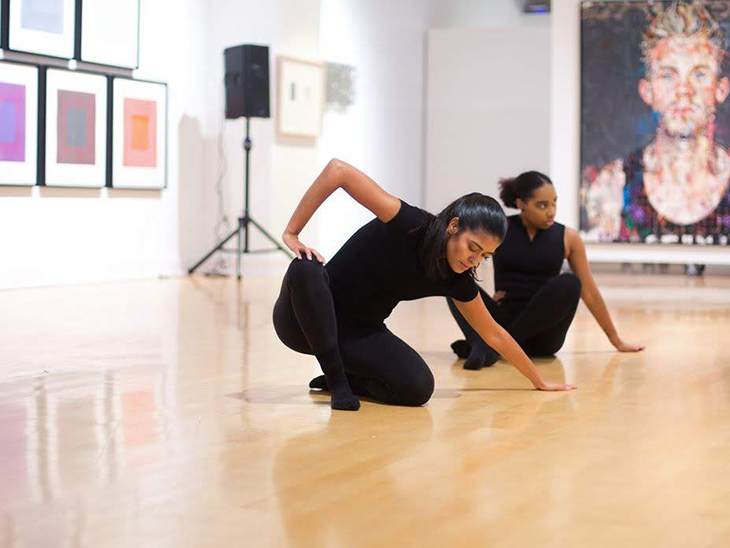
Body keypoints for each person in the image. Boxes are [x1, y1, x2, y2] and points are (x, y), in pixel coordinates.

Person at [273, 159, 576, 411]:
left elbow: (494, 333)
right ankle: (338, 380)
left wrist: (539, 380)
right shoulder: (409, 224)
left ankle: (346, 379)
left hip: (357, 333)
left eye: (485, 256)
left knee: (418, 387)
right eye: (473, 247)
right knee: (306, 268)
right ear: (453, 226)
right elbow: (338, 171)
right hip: (302, 319)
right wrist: (292, 233)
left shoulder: (455, 277)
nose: (475, 260)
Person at [448, 171, 645, 371]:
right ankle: (485, 343)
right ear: (521, 204)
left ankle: (491, 348)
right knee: (452, 280)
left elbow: (590, 294)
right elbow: (471, 260)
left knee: (570, 282)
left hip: (544, 337)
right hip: (503, 321)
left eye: (554, 203)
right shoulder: (501, 230)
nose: (551, 212)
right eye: (542, 205)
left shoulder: (569, 237)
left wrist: (616, 340)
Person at [582, 1, 730, 244]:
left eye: (699, 75)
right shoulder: (613, 186)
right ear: (647, 91)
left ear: (721, 90)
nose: (684, 91)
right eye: (668, 75)